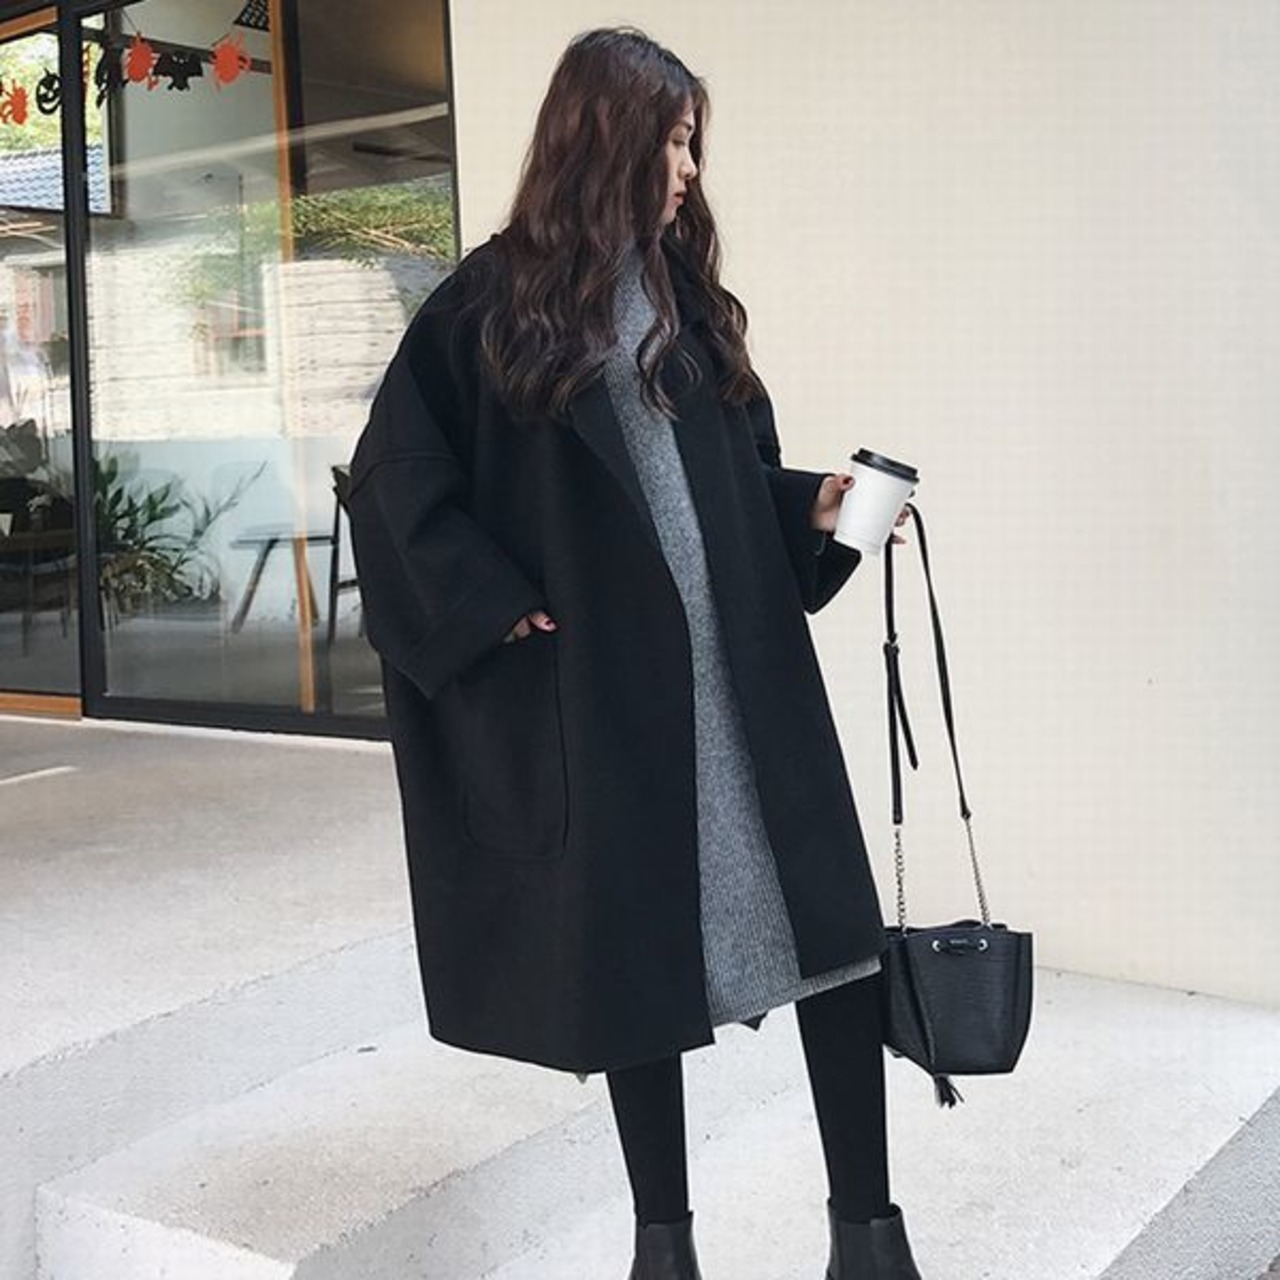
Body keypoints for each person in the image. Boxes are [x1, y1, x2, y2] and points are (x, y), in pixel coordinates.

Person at [345, 26, 923, 1280]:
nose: (686, 167)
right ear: (602, 139)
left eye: (690, 142)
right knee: (634, 965)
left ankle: (867, 1233)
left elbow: (732, 482)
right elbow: (391, 480)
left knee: (833, 943)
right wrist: (489, 603)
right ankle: (664, 1243)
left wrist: (811, 505)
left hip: (741, 685)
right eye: (670, 140)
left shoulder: (685, 302)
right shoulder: (488, 309)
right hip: (607, 698)